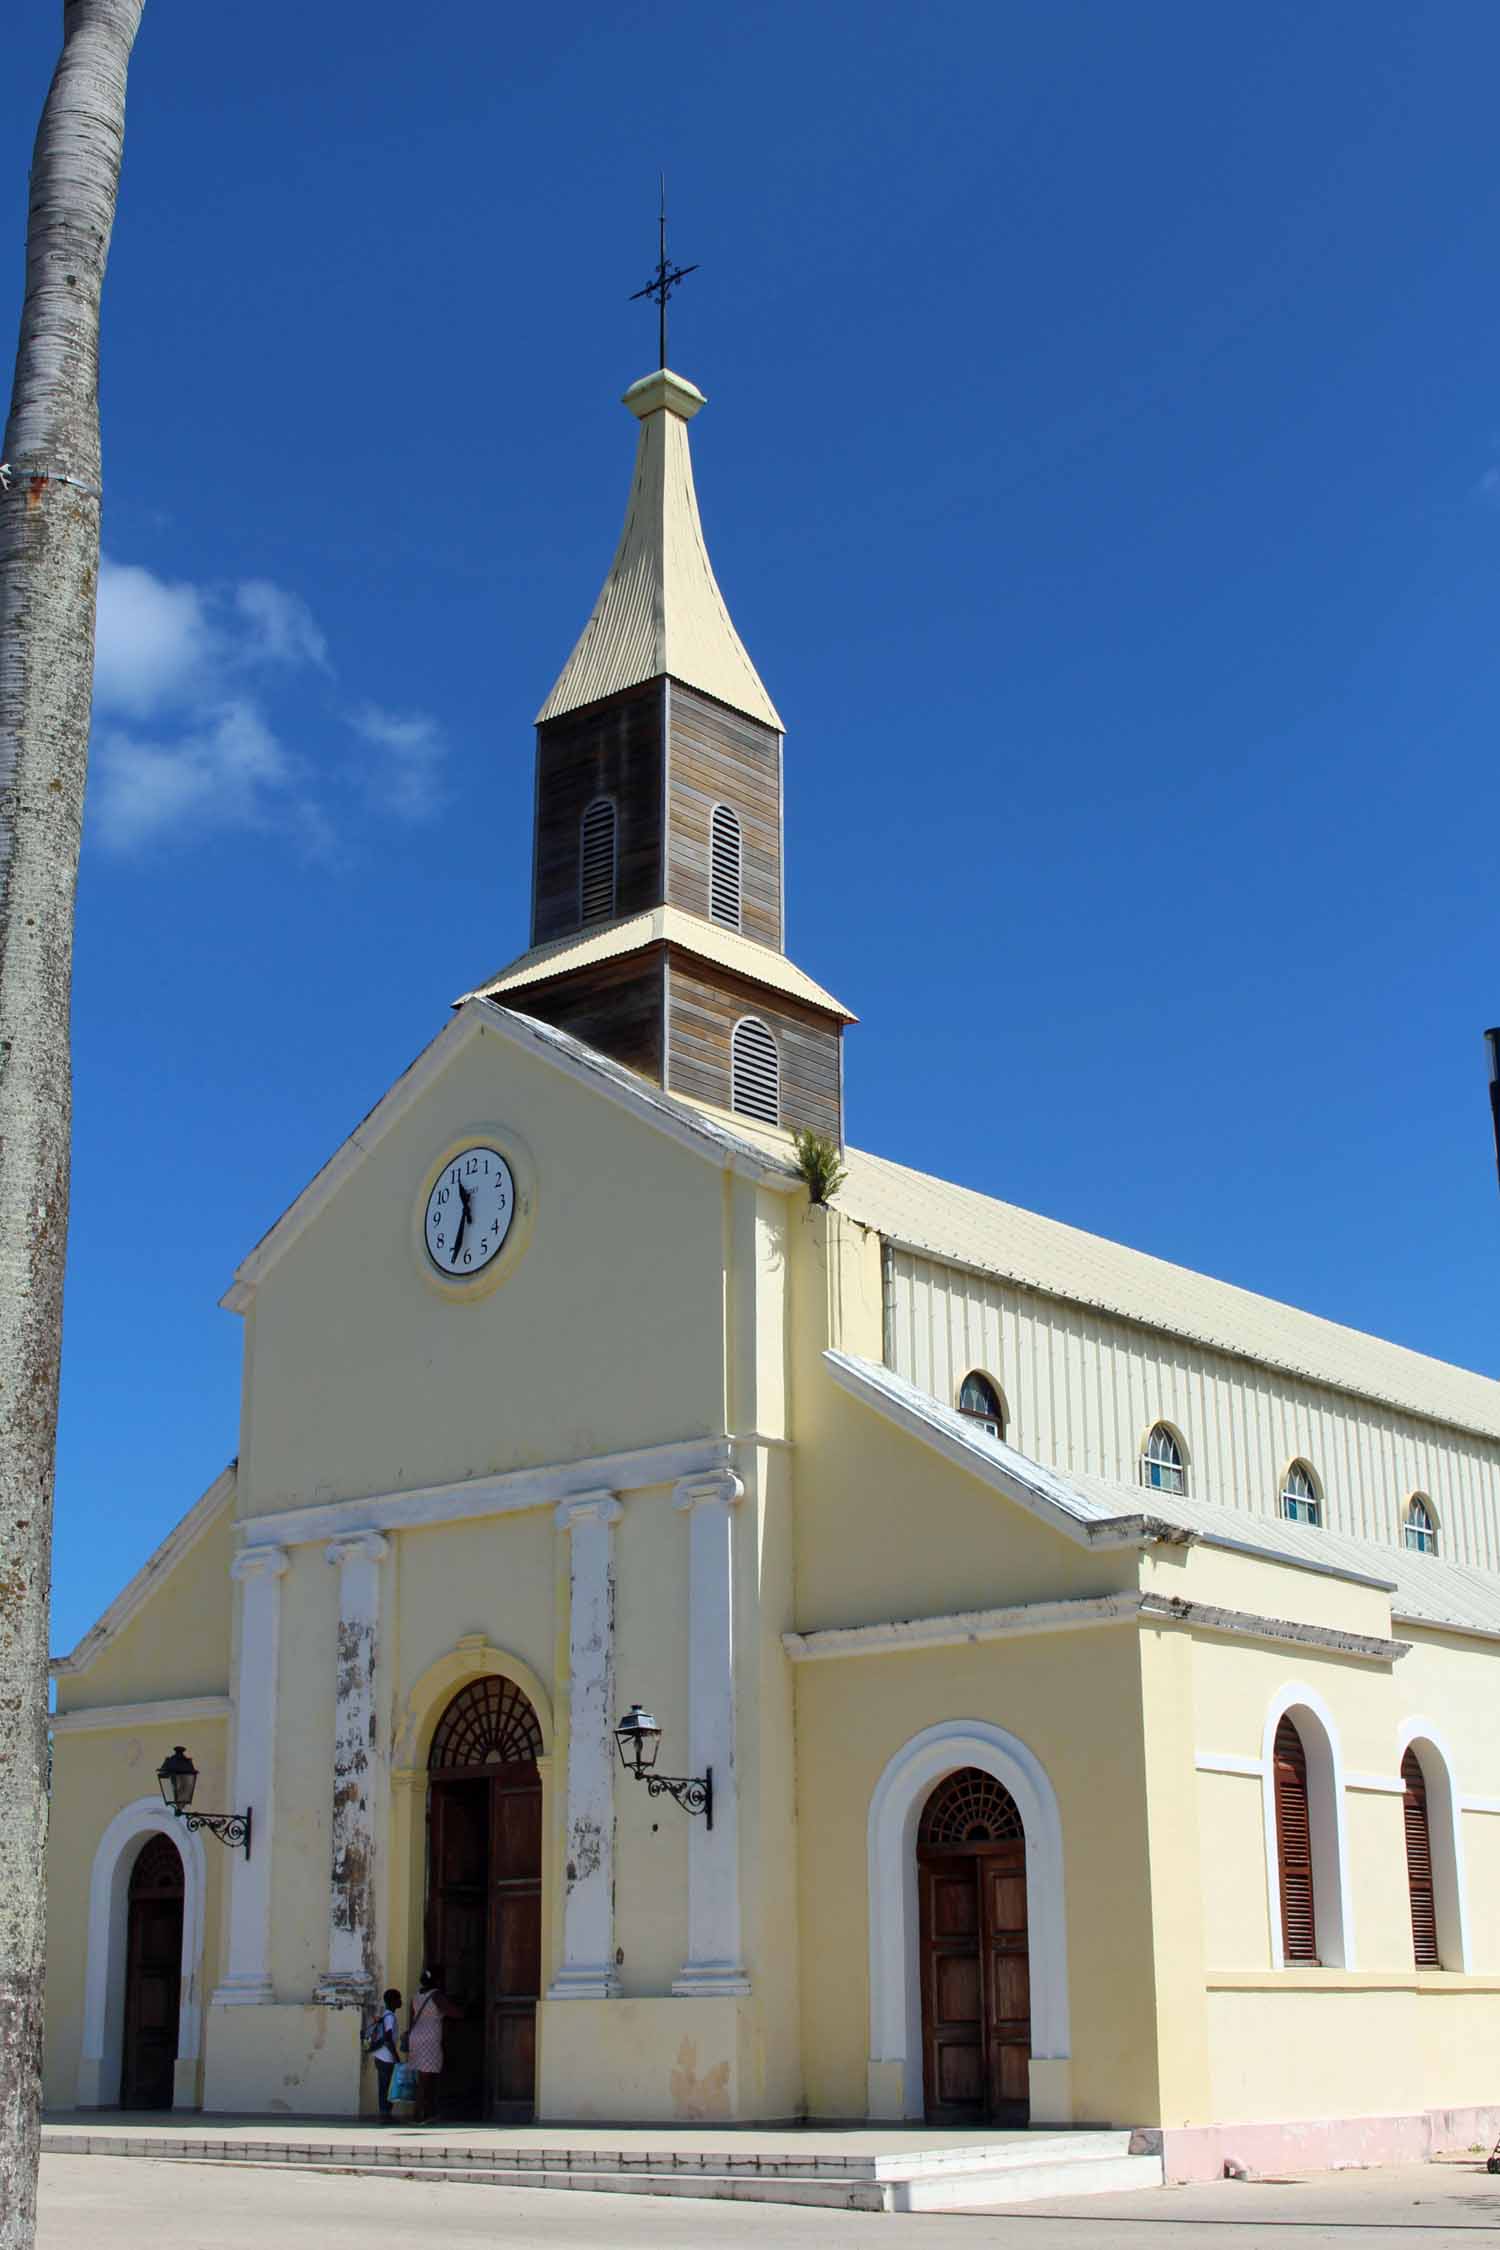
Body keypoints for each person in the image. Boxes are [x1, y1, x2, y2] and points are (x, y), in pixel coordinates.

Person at [407, 1965, 457, 2122]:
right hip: (429, 2038)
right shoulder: (436, 1996)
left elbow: (412, 2018)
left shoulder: (415, 1997)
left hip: (415, 2037)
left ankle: (421, 2111)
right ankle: (422, 2114)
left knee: (422, 2077)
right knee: (426, 2078)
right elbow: (452, 2012)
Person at [364, 1986, 402, 2119]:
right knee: (387, 2088)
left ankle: (385, 2115)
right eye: (399, 1999)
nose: (401, 2001)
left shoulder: (385, 2015)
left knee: (384, 2087)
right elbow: (388, 2038)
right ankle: (385, 2116)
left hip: (380, 2056)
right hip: (386, 2057)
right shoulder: (390, 2017)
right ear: (393, 2001)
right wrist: (396, 2056)